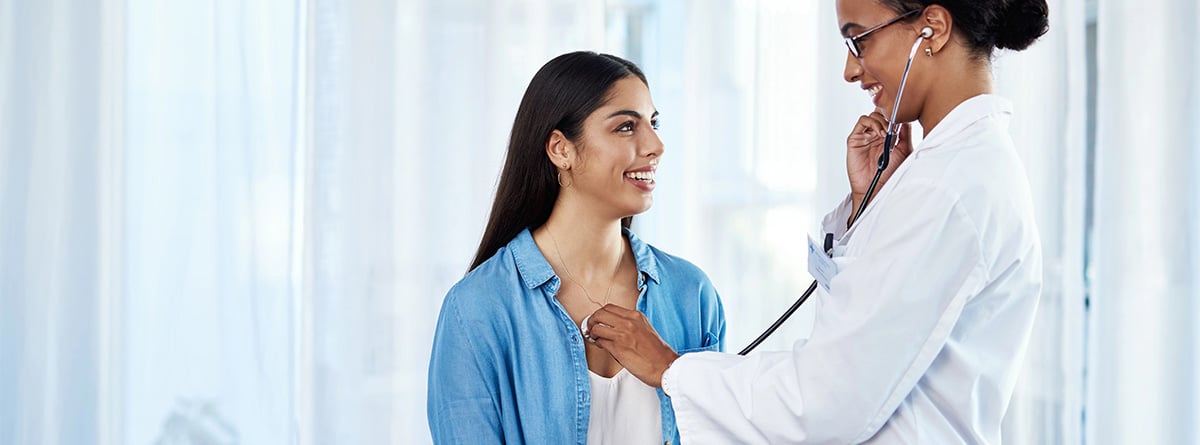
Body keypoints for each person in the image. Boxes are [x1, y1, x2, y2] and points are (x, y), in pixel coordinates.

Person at [584, 0, 1049, 443]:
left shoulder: (948, 185)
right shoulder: (951, 171)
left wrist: (670, 368)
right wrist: (868, 206)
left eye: (858, 41)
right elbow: (863, 336)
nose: (850, 70)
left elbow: (831, 399)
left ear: (933, 28)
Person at [426, 51, 726, 444]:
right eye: (625, 127)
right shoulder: (478, 309)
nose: (656, 145)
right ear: (560, 149)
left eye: (653, 124)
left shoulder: (692, 294)